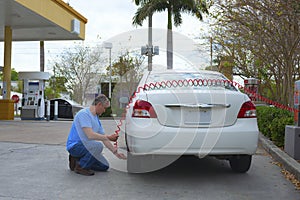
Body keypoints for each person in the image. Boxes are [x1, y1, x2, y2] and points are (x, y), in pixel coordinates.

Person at [66, 94, 126, 176]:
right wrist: (108, 137)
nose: (104, 111)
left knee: (104, 166)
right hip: (76, 146)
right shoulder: (84, 114)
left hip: (88, 147)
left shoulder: (96, 119)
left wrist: (115, 152)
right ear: (99, 105)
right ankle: (81, 167)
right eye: (104, 108)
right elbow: (90, 135)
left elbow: (104, 138)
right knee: (97, 146)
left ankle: (77, 160)